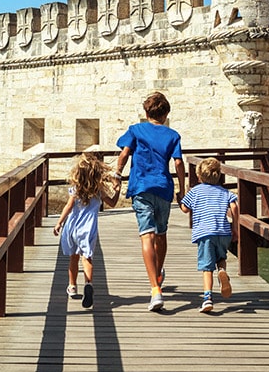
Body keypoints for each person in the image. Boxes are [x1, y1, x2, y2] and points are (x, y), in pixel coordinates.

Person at [115, 91, 184, 312]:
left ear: (146, 112)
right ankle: (159, 271)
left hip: (141, 186)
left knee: (147, 234)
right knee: (161, 234)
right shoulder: (173, 135)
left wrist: (117, 174)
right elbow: (179, 163)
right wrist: (183, 189)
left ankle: (155, 288)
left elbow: (124, 155)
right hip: (163, 188)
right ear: (166, 115)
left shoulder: (136, 130)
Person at [51, 151, 121, 309]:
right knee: (87, 258)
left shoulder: (75, 189)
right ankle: (88, 283)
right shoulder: (98, 190)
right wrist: (117, 189)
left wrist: (59, 223)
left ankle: (72, 286)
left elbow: (68, 207)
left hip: (72, 227)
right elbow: (112, 203)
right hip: (88, 228)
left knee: (73, 258)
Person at [179, 157, 238, 313]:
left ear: (199, 176)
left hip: (205, 233)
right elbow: (234, 206)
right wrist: (236, 228)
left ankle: (207, 298)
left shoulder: (195, 191)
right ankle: (222, 271)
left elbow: (184, 208)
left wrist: (182, 197)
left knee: (207, 267)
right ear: (218, 175)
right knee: (221, 257)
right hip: (223, 231)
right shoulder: (225, 192)